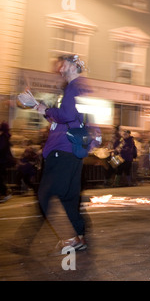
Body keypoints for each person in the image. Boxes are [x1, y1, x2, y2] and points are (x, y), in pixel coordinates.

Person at [34, 54, 89, 251]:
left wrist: (48, 111)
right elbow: (77, 119)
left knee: (45, 194)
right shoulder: (82, 88)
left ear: (74, 67)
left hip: (63, 149)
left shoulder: (74, 87)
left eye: (64, 65)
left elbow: (66, 115)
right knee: (69, 196)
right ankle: (79, 236)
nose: (60, 69)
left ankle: (30, 238)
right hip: (74, 149)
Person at [0, 122, 14, 203]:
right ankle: (4, 192)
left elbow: (1, 149)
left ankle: (5, 192)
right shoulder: (5, 137)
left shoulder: (3, 137)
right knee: (1, 178)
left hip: (2, 161)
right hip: (4, 161)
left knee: (0, 178)